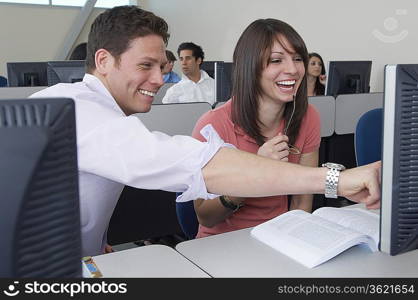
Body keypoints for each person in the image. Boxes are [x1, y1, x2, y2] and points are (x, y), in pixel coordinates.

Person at [30, 6, 380, 256]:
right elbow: (199, 165)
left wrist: (92, 244)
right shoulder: (77, 110)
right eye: (145, 66)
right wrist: (336, 180)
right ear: (104, 61)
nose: (159, 80)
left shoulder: (100, 113)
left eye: (161, 67)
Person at [191, 19, 320, 238]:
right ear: (251, 67)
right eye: (276, 60)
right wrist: (255, 171)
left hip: (276, 237)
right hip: (222, 245)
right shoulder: (213, 125)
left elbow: (301, 202)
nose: (293, 69)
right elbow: (206, 216)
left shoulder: (308, 117)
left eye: (298, 59)